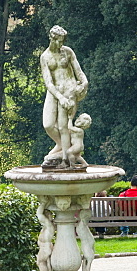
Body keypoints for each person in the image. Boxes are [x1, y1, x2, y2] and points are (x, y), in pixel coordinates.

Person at [41, 25, 88, 169]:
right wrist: (59, 97)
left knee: (63, 126)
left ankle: (65, 157)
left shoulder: (67, 52)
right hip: (54, 92)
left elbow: (79, 72)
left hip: (69, 91)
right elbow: (48, 82)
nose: (61, 44)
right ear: (52, 39)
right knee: (48, 124)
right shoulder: (45, 56)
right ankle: (63, 146)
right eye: (59, 41)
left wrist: (84, 83)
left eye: (62, 41)